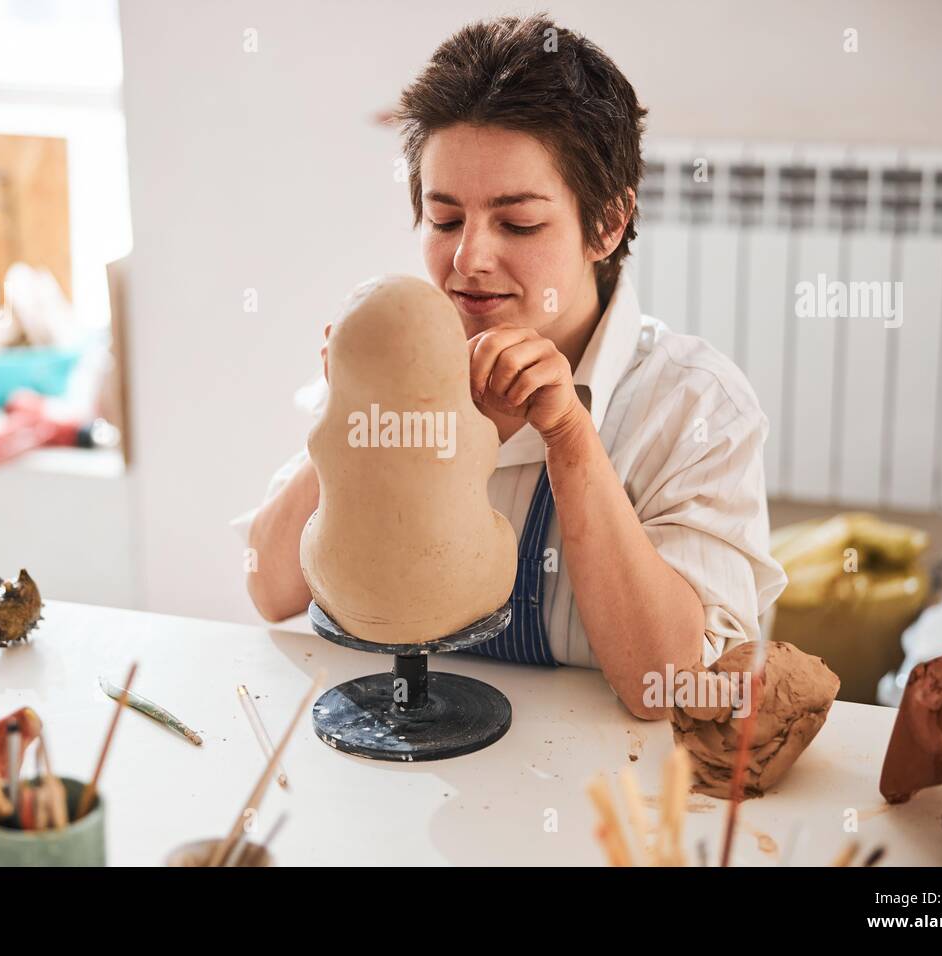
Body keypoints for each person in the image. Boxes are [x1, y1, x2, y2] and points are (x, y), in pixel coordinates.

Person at [234, 14, 785, 720]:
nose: (470, 259)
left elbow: (669, 684)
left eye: (517, 222)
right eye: (445, 219)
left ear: (608, 224)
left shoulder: (695, 407)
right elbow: (271, 589)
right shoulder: (394, 364)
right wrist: (363, 412)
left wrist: (572, 441)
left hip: (595, 798)